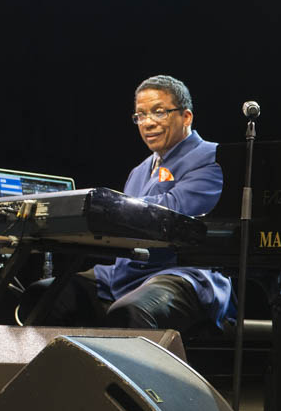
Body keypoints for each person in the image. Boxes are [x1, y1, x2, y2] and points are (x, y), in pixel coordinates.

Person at [21, 74, 235, 334]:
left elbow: (172, 212)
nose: (147, 123)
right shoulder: (139, 170)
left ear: (186, 117)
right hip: (123, 274)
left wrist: (106, 208)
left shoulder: (211, 158)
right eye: (140, 115)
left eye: (159, 112)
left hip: (181, 272)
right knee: (42, 295)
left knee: (131, 310)